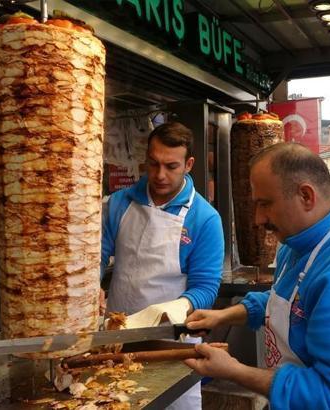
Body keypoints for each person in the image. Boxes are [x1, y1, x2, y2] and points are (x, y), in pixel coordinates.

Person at [182, 142, 330, 408]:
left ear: (306, 196)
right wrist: (224, 315)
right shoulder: (299, 242)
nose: (258, 219)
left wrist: (235, 371)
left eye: (265, 204)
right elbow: (287, 303)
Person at [101, 122, 224, 409]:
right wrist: (92, 288)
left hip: (171, 343)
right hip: (115, 336)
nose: (159, 175)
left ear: (189, 164)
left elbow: (206, 287)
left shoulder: (205, 218)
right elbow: (97, 256)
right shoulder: (120, 203)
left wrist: (172, 309)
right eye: (153, 164)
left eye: (171, 166)